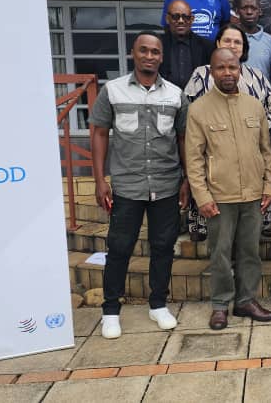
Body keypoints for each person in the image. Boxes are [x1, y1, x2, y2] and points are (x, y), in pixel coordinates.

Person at [89, 31, 188, 339]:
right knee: (119, 247)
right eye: (143, 50)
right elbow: (99, 133)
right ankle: (110, 310)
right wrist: (99, 180)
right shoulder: (113, 90)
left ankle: (158, 304)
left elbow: (182, 137)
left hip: (166, 184)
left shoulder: (174, 94)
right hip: (127, 184)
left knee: (162, 247)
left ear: (161, 57)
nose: (149, 56)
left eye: (155, 52)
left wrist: (186, 178)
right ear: (133, 53)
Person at [185, 49, 271, 330]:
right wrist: (202, 196)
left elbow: (266, 150)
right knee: (221, 253)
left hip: (253, 194)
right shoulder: (199, 109)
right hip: (219, 197)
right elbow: (194, 158)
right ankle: (220, 305)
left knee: (250, 251)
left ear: (240, 70)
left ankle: (246, 300)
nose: (228, 73)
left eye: (232, 68)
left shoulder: (254, 106)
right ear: (211, 72)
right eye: (221, 68)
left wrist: (269, 185)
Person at [183, 24, 271, 240]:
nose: (232, 46)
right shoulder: (201, 74)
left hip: (251, 168)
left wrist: (257, 128)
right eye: (227, 41)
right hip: (217, 175)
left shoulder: (257, 76)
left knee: (249, 247)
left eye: (238, 42)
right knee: (221, 247)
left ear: (244, 49)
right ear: (217, 43)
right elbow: (190, 115)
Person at [159, 0, 215, 91]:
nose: (181, 21)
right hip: (165, 100)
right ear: (167, 19)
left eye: (186, 17)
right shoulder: (158, 45)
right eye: (175, 17)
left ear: (192, 19)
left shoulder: (207, 46)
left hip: (198, 100)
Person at [234, 0, 271, 80]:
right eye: (244, 8)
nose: (249, 12)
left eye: (253, 8)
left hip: (262, 92)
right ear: (237, 12)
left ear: (260, 11)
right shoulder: (230, 39)